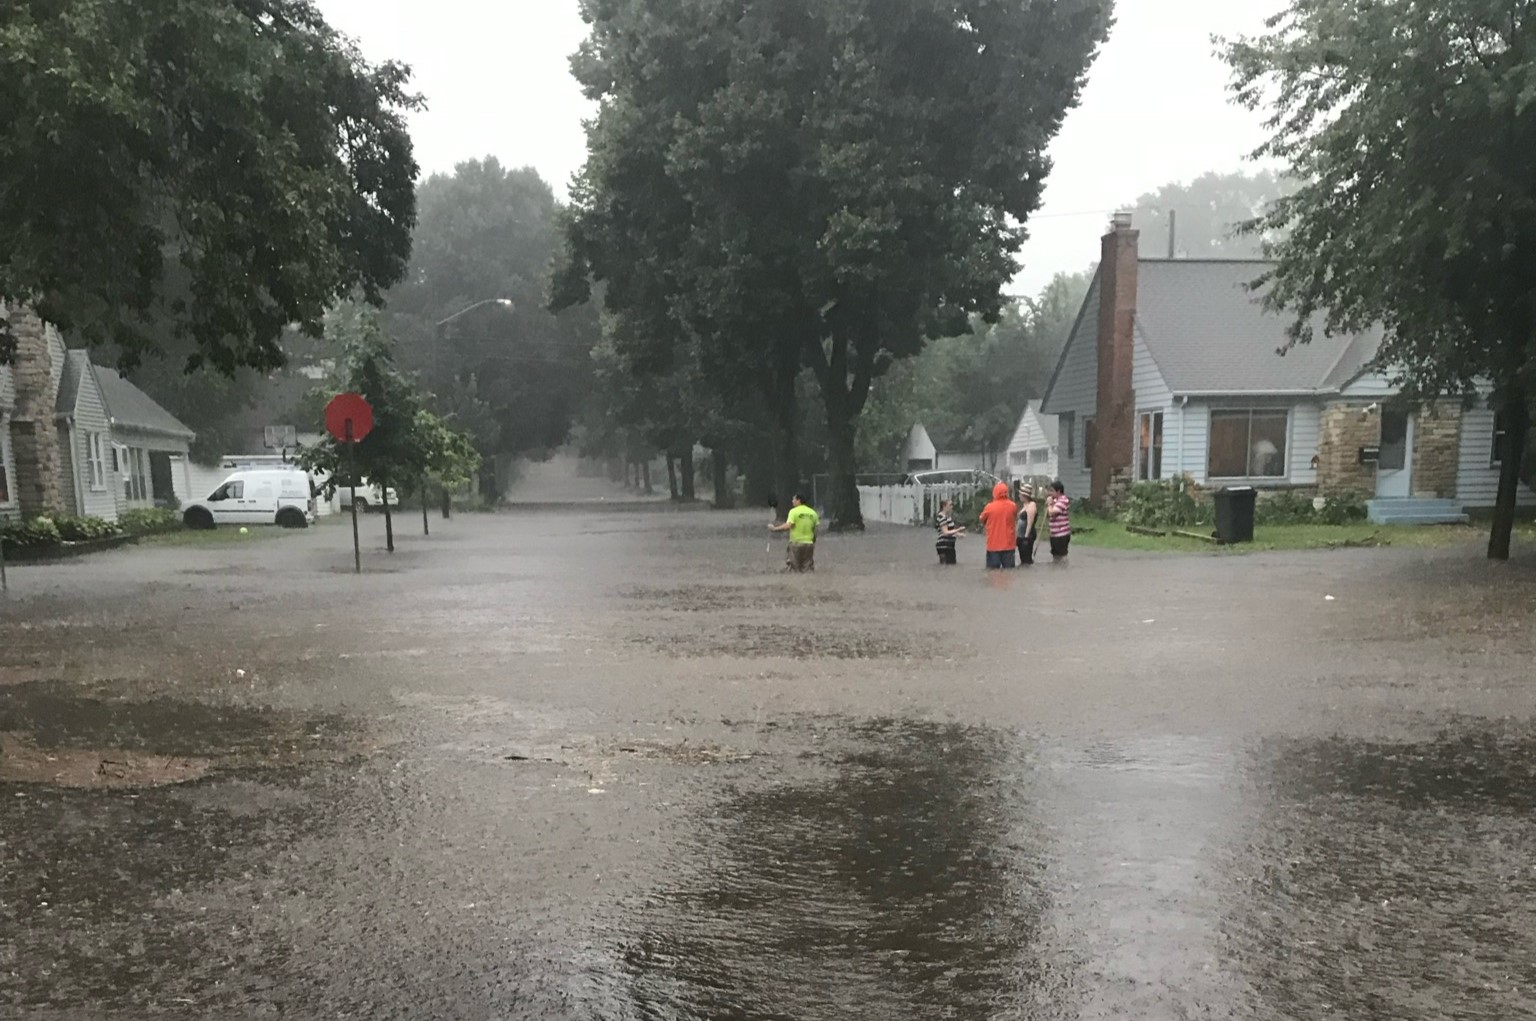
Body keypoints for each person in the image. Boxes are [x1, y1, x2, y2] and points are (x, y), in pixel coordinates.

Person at [769, 493, 819, 572]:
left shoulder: (793, 512)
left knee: (794, 568)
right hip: (809, 544)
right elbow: (815, 530)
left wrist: (775, 529)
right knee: (807, 568)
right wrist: (813, 541)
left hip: (796, 544)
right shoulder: (813, 513)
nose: (792, 501)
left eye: (793, 499)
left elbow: (788, 526)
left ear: (799, 500)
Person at [977, 481, 1018, 570]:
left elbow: (981, 519)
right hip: (1009, 545)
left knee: (992, 572)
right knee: (1009, 572)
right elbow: (1015, 518)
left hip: (993, 545)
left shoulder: (989, 507)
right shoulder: (1013, 506)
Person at [1046, 480, 1072, 562]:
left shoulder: (1063, 500)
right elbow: (1048, 515)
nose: (1050, 493)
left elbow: (1052, 512)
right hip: (1054, 534)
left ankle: (1063, 572)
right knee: (1055, 556)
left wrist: (1050, 504)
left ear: (1058, 491)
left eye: (1052, 491)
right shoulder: (1055, 501)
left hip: (1062, 534)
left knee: (1062, 557)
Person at [934, 498, 965, 565]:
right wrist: (958, 529)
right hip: (944, 546)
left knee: (951, 566)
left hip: (950, 545)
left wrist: (958, 534)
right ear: (944, 506)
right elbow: (945, 532)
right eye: (950, 505)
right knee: (946, 566)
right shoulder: (941, 517)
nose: (952, 507)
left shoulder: (948, 517)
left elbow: (950, 531)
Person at [1015, 483, 1039, 565]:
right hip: (1020, 536)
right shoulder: (1025, 505)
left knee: (1026, 560)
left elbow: (1030, 523)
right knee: (1023, 559)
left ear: (1025, 495)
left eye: (1020, 494)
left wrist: (1026, 538)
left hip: (1027, 537)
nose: (1019, 496)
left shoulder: (1032, 505)